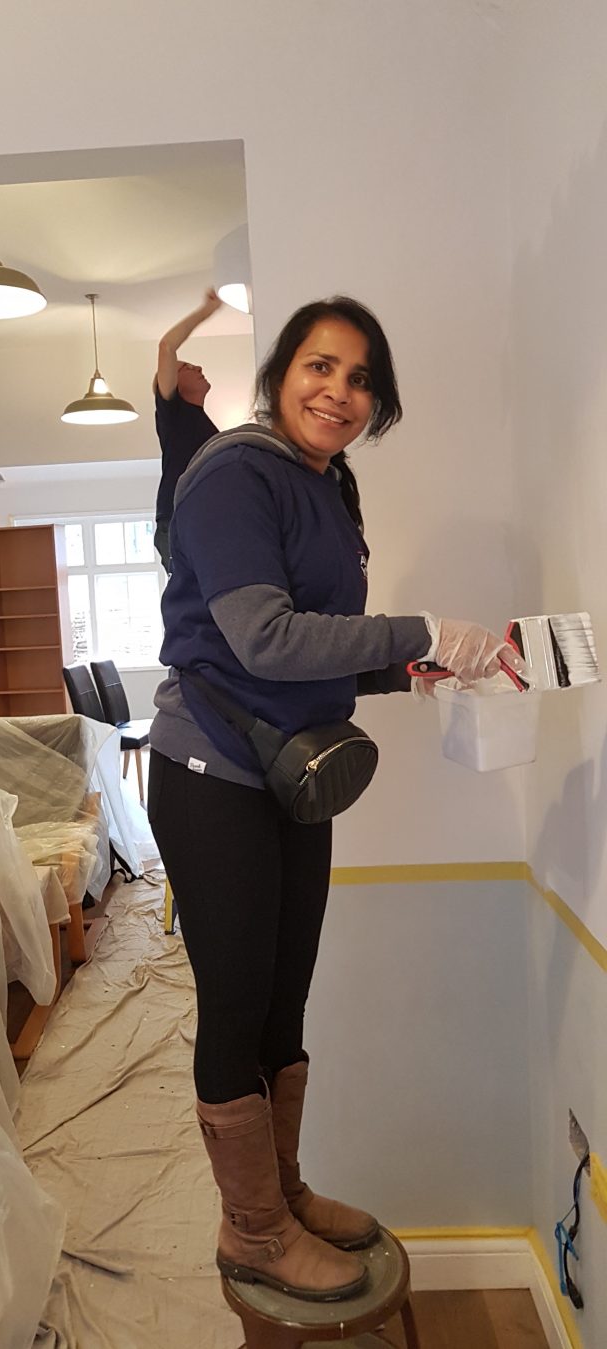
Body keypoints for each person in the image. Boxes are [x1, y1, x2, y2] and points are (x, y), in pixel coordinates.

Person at [147, 297, 527, 1303]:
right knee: (236, 1006)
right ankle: (252, 1233)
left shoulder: (326, 485)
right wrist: (423, 629)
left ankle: (282, 1195)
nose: (340, 392)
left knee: (286, 1002)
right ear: (280, 374)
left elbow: (315, 654)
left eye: (361, 379)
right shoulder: (233, 474)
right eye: (321, 367)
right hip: (211, 776)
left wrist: (411, 670)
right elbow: (264, 639)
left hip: (289, 777)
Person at [153, 288, 223, 572]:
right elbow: (167, 346)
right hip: (179, 519)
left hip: (198, 519)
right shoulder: (173, 415)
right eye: (186, 367)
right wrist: (206, 311)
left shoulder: (204, 424)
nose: (198, 367)